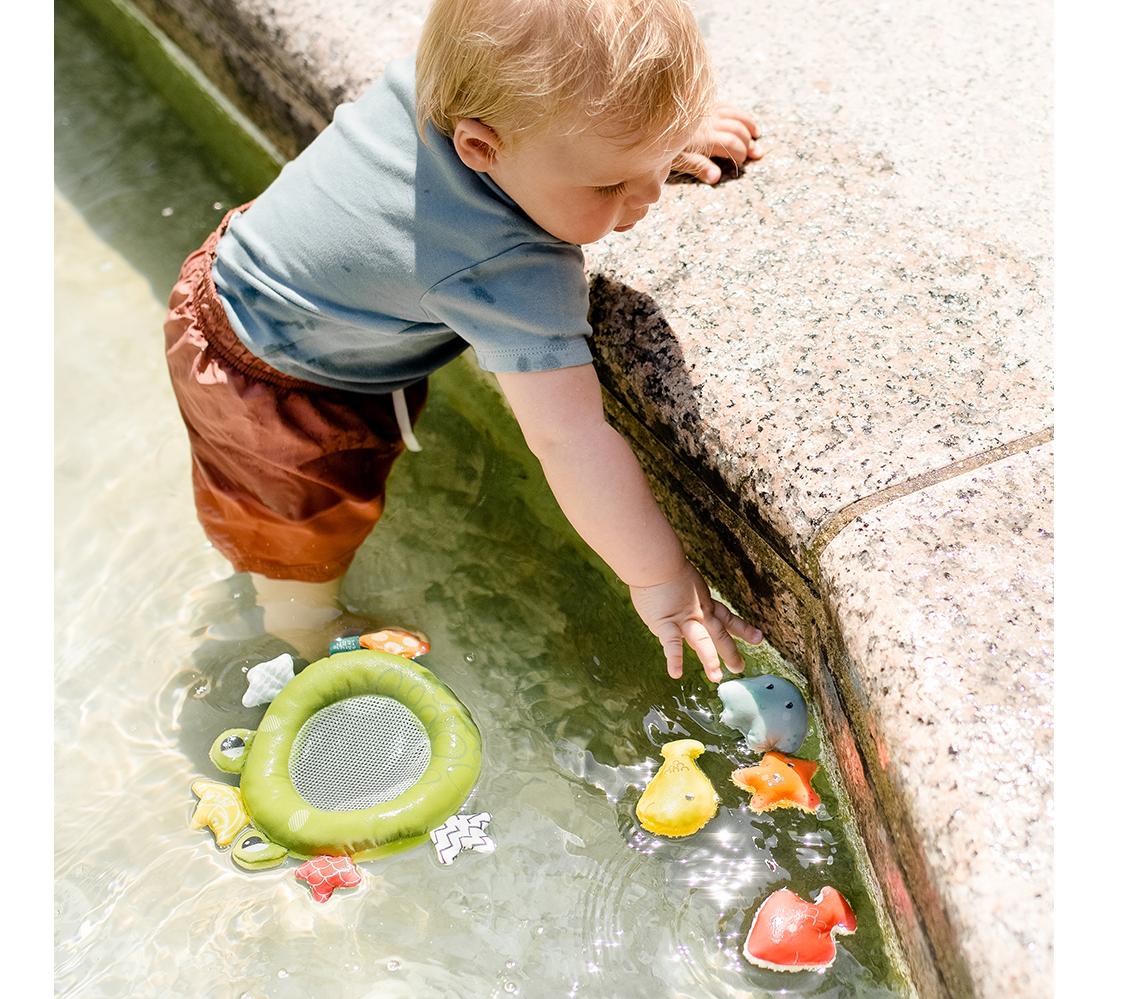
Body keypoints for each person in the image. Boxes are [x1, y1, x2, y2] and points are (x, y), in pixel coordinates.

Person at [164, 0, 765, 681]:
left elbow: (566, 99)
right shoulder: (507, 268)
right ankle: (301, 627)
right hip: (270, 390)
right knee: (302, 537)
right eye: (610, 183)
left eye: (660, 154)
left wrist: (638, 144)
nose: (650, 194)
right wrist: (661, 578)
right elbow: (569, 440)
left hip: (243, 267)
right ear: (480, 149)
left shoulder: (456, 87)